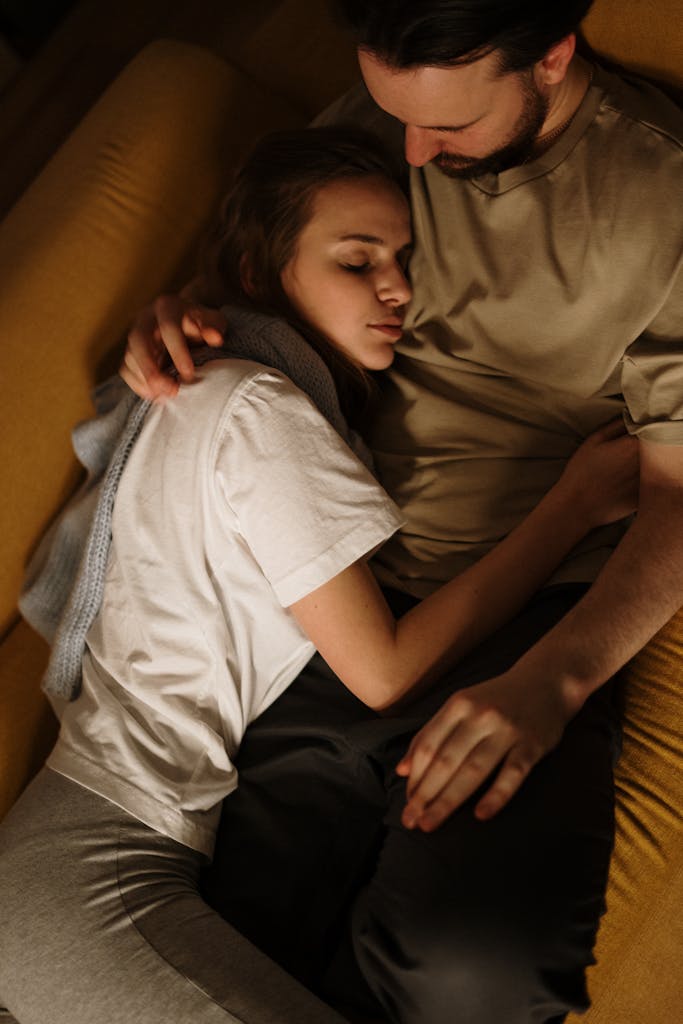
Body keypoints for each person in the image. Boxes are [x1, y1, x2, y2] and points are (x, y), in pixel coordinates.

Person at [120, 3, 682, 1022]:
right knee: (216, 936)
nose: (413, 154)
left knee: (470, 967)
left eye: (447, 130)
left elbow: (679, 493)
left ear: (550, 58)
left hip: (525, 619)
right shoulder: (393, 118)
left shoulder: (663, 195)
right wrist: (186, 309)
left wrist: (551, 680)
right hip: (331, 605)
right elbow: (281, 254)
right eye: (393, 115)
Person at [0, 125, 637, 1024]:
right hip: (93, 870)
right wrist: (570, 510)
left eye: (406, 258)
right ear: (262, 274)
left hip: (79, 861)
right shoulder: (260, 407)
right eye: (356, 262)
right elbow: (383, 672)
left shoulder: (210, 386)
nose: (398, 289)